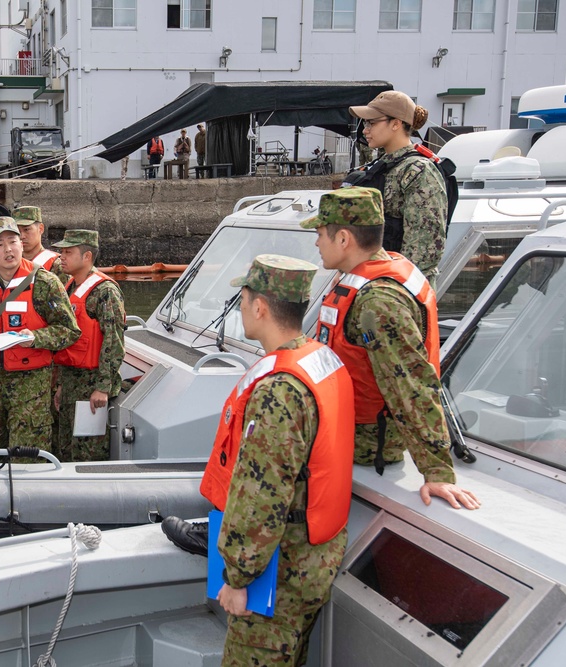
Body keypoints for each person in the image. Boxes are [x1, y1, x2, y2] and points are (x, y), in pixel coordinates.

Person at [181, 254, 356, 666]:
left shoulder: (279, 391)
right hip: (317, 556)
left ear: (259, 306)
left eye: (242, 298)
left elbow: (261, 494)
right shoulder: (321, 359)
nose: (240, 307)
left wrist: (239, 579)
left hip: (279, 573)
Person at [301, 187, 480, 510]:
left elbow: (411, 385)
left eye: (320, 234)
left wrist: (437, 471)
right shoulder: (381, 267)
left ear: (343, 239)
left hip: (365, 441)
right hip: (347, 420)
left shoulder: (378, 303)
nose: (316, 243)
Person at [0, 216, 80, 449]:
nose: (8, 249)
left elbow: (69, 330)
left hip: (31, 384)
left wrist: (35, 338)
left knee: (27, 456)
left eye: (13, 241)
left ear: (21, 244)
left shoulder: (45, 283)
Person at [348, 90, 447, 287]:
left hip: (400, 293)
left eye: (372, 123)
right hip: (374, 284)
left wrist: (393, 291)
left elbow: (423, 252)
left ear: (396, 123)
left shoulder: (419, 172)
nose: (365, 130)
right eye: (365, 123)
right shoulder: (381, 167)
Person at [51, 230, 127, 462]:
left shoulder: (105, 292)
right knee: (65, 447)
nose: (62, 257)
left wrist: (103, 387)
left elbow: (114, 342)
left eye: (68, 252)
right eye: (61, 252)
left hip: (92, 384)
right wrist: (62, 384)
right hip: (71, 381)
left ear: (87, 257)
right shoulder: (71, 286)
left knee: (88, 451)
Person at [11, 205, 67, 283]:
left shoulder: (57, 265)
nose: (22, 236)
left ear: (41, 228)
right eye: (17, 231)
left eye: (26, 229)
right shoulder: (9, 264)